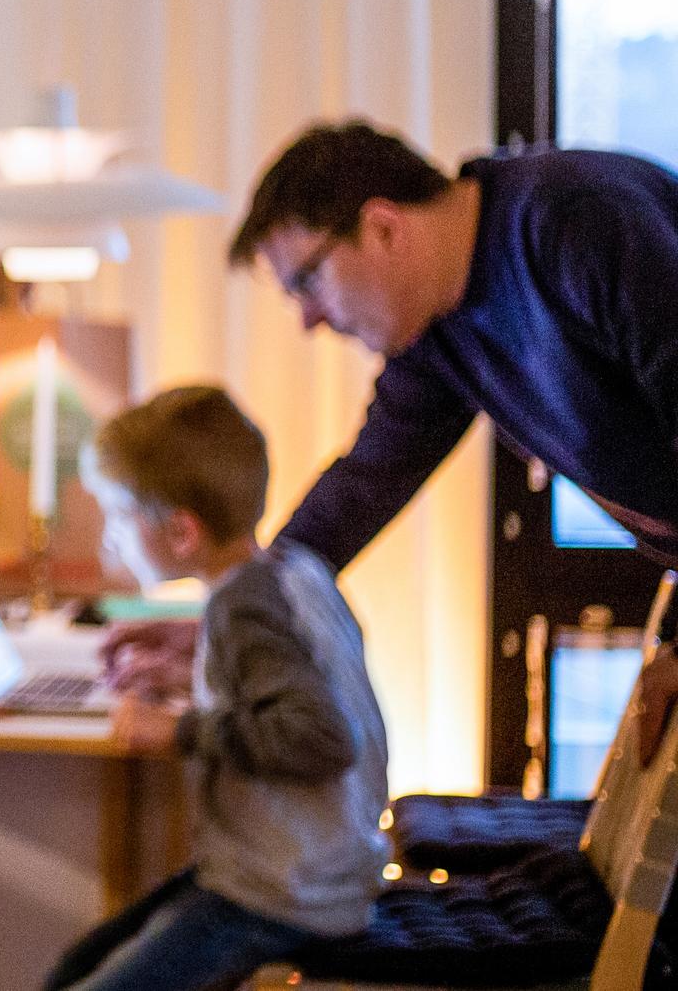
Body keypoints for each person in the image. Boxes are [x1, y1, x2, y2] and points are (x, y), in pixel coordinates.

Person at [106, 122, 678, 753]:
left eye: (306, 281)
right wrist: (234, 617)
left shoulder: (575, 220)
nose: (309, 319)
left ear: (381, 226)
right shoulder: (438, 335)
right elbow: (360, 489)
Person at [49, 386, 390, 991]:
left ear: (182, 533)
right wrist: (190, 677)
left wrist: (176, 727)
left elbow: (320, 737)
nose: (111, 540)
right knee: (76, 968)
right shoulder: (292, 570)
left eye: (119, 517)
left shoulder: (240, 609)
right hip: (317, 875)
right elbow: (284, 686)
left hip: (285, 895)